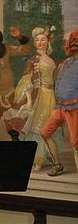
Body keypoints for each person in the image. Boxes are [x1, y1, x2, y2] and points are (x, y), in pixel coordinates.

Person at [3, 27, 59, 169]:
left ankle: (50, 157)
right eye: (37, 40)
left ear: (48, 42)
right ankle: (37, 159)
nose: (40, 42)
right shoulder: (34, 60)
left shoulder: (52, 60)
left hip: (51, 96)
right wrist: (28, 101)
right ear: (34, 43)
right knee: (37, 126)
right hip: (39, 97)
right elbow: (27, 81)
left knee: (49, 127)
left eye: (43, 40)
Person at [39, 29, 78, 176]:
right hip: (60, 107)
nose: (74, 46)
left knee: (76, 143)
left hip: (74, 107)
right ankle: (57, 164)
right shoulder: (65, 63)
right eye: (72, 43)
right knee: (44, 132)